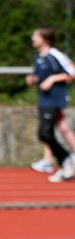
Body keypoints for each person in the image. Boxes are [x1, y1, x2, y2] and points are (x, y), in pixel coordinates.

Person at [25, 27, 75, 183]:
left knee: (45, 132)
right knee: (59, 129)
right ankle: (52, 161)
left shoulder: (56, 55)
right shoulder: (38, 57)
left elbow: (72, 72)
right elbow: (41, 76)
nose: (32, 38)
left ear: (45, 39)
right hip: (44, 100)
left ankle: (65, 160)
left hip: (55, 100)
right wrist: (33, 79)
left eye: (35, 35)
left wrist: (53, 79)